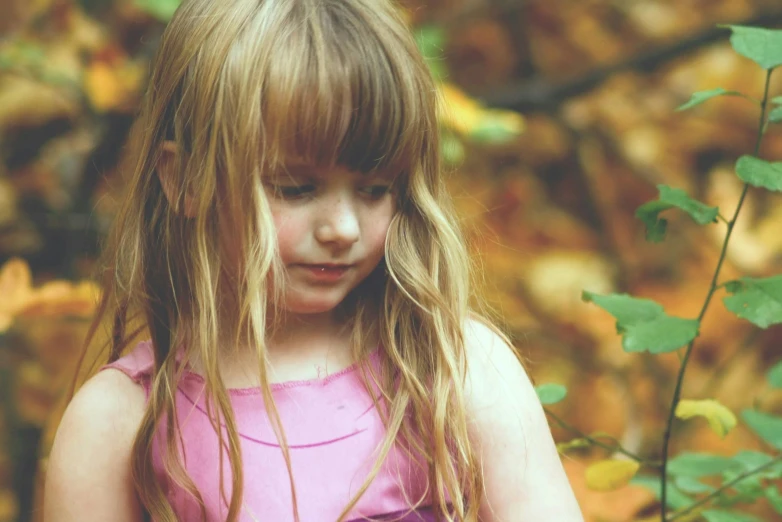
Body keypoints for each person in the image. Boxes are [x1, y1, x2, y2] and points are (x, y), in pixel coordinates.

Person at [43, 0, 584, 520]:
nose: (343, 228)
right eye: (296, 188)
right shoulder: (119, 421)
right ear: (184, 179)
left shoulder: (451, 369)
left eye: (374, 190)